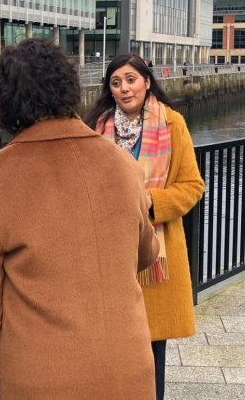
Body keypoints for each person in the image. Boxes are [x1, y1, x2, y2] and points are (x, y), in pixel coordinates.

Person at [0, 39, 160, 400]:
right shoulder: (123, 164)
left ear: (3, 99)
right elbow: (146, 254)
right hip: (128, 366)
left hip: (39, 373)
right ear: (70, 87)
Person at [83, 52, 205, 400]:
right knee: (111, 350)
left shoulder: (172, 124)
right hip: (108, 254)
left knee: (152, 354)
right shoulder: (96, 129)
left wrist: (151, 204)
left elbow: (193, 186)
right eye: (116, 82)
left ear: (147, 82)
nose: (124, 89)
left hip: (156, 256)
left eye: (131, 80)